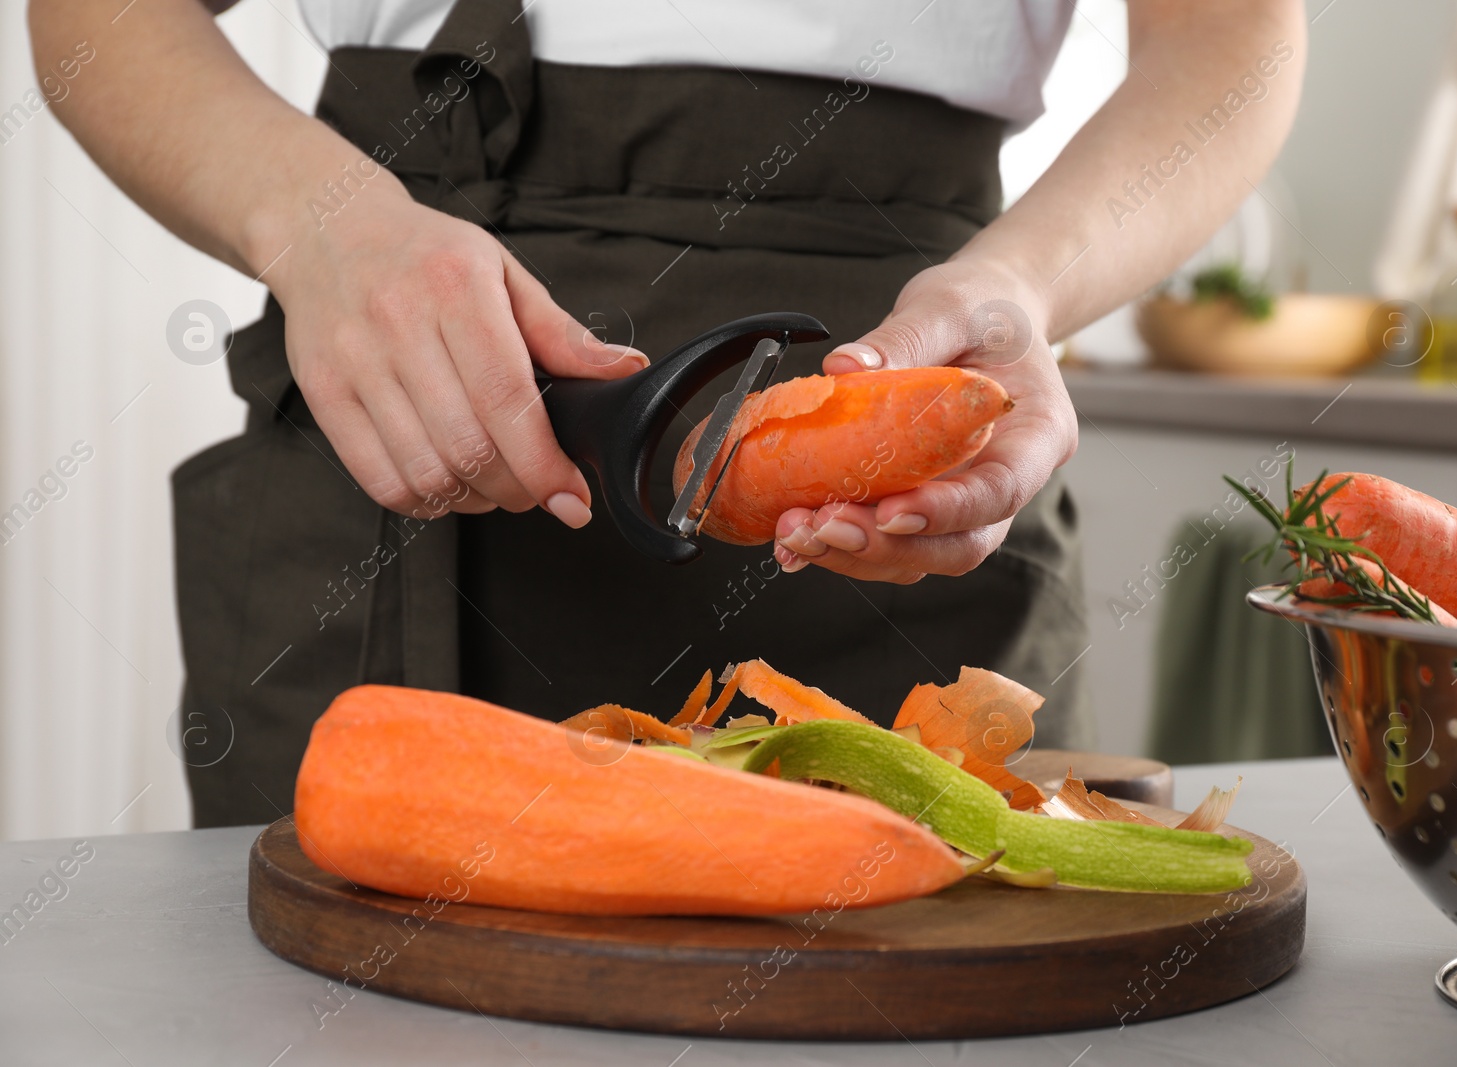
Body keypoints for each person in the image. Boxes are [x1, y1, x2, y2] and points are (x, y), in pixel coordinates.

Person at [32, 0, 1305, 827]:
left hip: (899, 495)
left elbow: (1227, 49)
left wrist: (1023, 286)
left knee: (928, 970)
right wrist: (319, 228)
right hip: (393, 434)